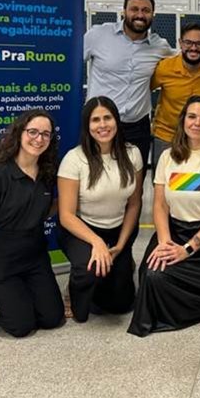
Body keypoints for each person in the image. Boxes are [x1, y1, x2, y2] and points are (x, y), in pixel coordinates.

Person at [128, 96, 200, 335]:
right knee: (151, 274)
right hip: (173, 231)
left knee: (161, 280)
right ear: (183, 121)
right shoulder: (168, 157)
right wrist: (166, 242)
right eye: (192, 116)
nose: (197, 123)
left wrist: (187, 249)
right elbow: (159, 204)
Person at [0, 110, 64, 337]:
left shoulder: (48, 173)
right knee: (21, 326)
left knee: (52, 318)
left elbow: (44, 209)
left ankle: (21, 295)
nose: (38, 139)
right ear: (19, 133)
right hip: (3, 261)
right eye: (32, 132)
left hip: (35, 257)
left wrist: (70, 201)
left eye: (45, 134)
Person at [57, 96, 143, 323]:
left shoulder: (132, 153)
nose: (102, 125)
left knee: (121, 305)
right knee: (89, 272)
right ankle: (74, 290)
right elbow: (66, 216)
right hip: (82, 231)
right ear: (87, 126)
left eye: (108, 118)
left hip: (118, 230)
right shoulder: (73, 159)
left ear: (116, 120)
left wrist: (122, 245)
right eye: (95, 120)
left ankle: (119, 267)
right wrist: (96, 242)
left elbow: (134, 203)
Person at [84, 0, 175, 166]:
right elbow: (69, 61)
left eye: (146, 10)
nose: (140, 15)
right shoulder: (98, 35)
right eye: (134, 9)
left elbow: (185, 59)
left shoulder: (160, 46)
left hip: (137, 126)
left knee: (135, 182)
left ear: (152, 15)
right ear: (124, 11)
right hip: (100, 122)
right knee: (96, 178)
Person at [150, 22, 200, 167]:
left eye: (199, 43)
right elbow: (143, 90)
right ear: (180, 43)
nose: (193, 48)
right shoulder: (164, 68)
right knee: (163, 183)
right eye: (188, 42)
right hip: (166, 136)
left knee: (196, 185)